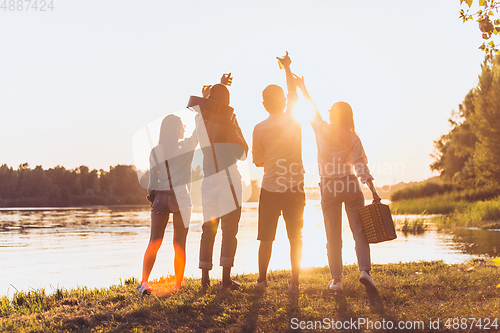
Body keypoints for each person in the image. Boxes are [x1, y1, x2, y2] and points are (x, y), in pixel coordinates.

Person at [295, 75, 378, 293]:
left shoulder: (322, 129)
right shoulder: (352, 137)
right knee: (359, 231)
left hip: (330, 186)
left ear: (333, 114)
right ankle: (365, 272)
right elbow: (361, 166)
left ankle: (337, 281)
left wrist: (303, 87)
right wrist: (373, 191)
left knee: (333, 236)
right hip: (350, 184)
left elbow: (311, 108)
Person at [252, 52, 305, 294]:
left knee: (266, 237)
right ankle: (294, 282)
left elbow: (257, 161)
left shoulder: (259, 129)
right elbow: (293, 92)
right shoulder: (294, 119)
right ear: (284, 102)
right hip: (295, 187)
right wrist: (287, 67)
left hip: (270, 188)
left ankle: (262, 280)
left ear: (263, 105)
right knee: (295, 236)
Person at [195, 79, 248, 289]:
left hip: (208, 179)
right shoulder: (228, 119)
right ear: (226, 101)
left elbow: (207, 98)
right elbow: (242, 152)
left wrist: (217, 87)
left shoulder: (200, 118)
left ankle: (204, 279)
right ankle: (225, 279)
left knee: (208, 229)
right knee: (229, 230)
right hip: (228, 179)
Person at [137, 114, 198, 296]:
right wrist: (203, 106)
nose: (184, 128)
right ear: (177, 128)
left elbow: (152, 180)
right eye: (182, 126)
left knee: (154, 241)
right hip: (181, 198)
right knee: (179, 244)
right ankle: (177, 285)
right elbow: (198, 132)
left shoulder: (156, 151)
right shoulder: (186, 146)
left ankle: (144, 283)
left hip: (161, 196)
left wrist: (152, 197)